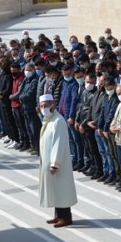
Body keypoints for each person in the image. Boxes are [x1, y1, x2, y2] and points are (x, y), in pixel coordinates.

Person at [37, 94, 77, 228]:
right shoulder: (48, 119)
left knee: (61, 190)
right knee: (54, 189)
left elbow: (58, 144)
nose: (44, 108)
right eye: (42, 106)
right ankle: (57, 215)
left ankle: (65, 217)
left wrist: (55, 163)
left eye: (46, 105)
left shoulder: (58, 121)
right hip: (48, 160)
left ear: (52, 105)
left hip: (57, 162)